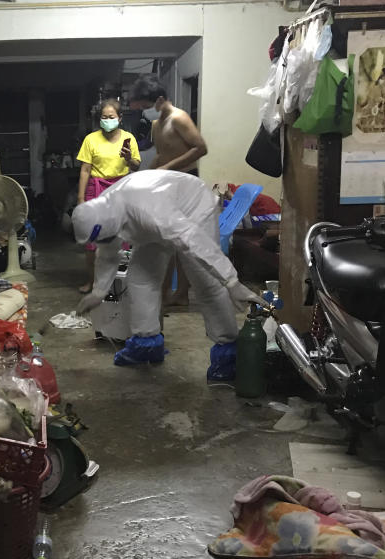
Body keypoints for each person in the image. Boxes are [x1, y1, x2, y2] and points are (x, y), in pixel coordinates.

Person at [73, 170, 262, 376]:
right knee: (140, 279)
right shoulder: (103, 211)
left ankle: (228, 353)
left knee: (205, 281)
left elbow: (191, 239)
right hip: (154, 217)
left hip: (193, 208)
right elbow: (108, 250)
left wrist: (231, 281)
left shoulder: (147, 211)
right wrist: (99, 291)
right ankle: (147, 344)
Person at [129, 74, 209, 307]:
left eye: (146, 106)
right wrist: (145, 175)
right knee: (167, 241)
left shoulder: (179, 118)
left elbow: (201, 148)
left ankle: (181, 292)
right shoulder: (156, 124)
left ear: (160, 99)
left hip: (185, 183)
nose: (145, 111)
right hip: (167, 183)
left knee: (182, 243)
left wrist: (166, 168)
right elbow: (162, 154)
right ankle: (165, 292)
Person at [76, 99, 141, 294]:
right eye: (104, 117)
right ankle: (93, 282)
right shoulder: (91, 140)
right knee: (92, 239)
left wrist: (128, 158)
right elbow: (85, 169)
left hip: (120, 189)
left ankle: (120, 281)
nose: (107, 120)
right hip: (95, 189)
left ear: (120, 118)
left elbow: (136, 166)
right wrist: (81, 199)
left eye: (111, 117)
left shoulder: (128, 138)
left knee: (123, 238)